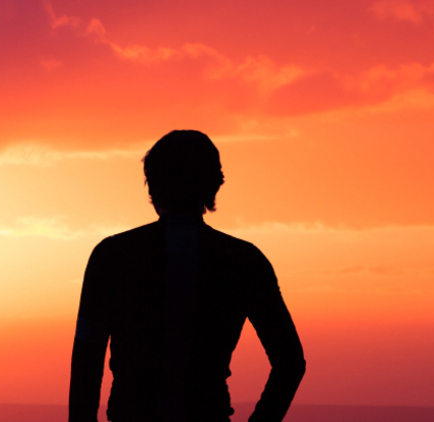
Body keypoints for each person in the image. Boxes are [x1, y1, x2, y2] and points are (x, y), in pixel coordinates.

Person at [69, 130, 305, 422]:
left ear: (152, 186)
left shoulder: (113, 256)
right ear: (215, 184)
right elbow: (290, 363)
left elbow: (87, 363)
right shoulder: (244, 261)